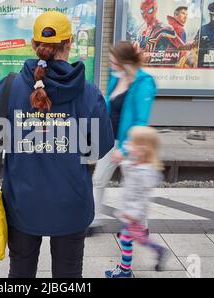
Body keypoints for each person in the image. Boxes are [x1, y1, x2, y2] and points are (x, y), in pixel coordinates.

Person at [0, 11, 114, 278]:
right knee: (68, 275)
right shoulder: (88, 93)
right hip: (71, 204)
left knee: (20, 272)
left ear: (34, 45)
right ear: (69, 44)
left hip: (21, 203)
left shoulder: (8, 87)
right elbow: (99, 148)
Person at [91, 41, 156, 229]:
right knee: (99, 179)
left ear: (125, 62)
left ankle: (141, 227)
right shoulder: (115, 77)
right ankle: (94, 220)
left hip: (133, 143)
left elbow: (141, 121)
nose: (110, 65)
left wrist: (124, 147)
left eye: (113, 62)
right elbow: (108, 104)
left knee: (134, 188)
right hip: (110, 138)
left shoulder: (144, 83)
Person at [105, 126, 168, 278]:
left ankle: (124, 271)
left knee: (126, 240)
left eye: (131, 143)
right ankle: (158, 250)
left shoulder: (146, 172)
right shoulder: (137, 163)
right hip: (130, 212)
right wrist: (122, 160)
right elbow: (128, 168)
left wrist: (133, 215)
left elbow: (142, 198)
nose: (127, 146)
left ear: (143, 149)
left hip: (134, 215)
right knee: (140, 239)